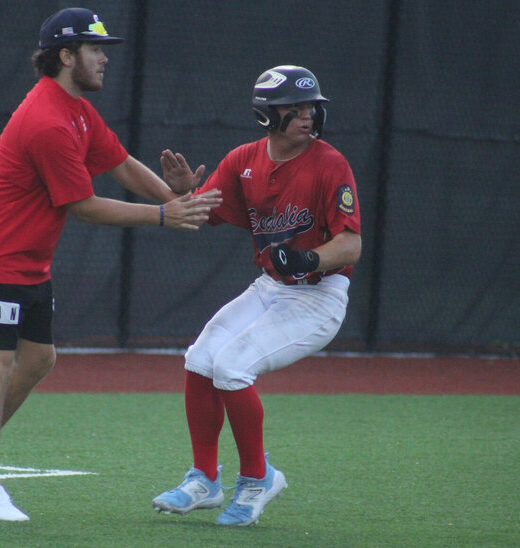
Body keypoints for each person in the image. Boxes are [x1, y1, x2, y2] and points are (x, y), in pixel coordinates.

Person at [0, 7, 221, 521]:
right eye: (95, 50)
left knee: (39, 358)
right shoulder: (46, 120)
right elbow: (83, 206)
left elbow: (121, 163)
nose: (104, 58)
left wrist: (176, 195)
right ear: (66, 56)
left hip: (27, 258)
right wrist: (162, 215)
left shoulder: (78, 111)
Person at [152, 65, 362, 526]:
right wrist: (187, 191)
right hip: (271, 288)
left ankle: (257, 479)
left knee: (231, 367)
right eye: (295, 107)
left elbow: (351, 244)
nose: (307, 115)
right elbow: (202, 212)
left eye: (311, 106)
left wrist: (308, 260)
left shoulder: (330, 163)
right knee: (201, 358)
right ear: (267, 114)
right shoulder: (244, 158)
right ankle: (205, 480)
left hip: (319, 296)